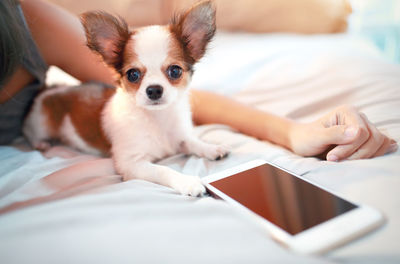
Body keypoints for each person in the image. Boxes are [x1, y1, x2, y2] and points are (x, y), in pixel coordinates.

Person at [0, 0, 397, 162]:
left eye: (174, 70)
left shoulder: (25, 18)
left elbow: (178, 99)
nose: (153, 83)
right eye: (136, 75)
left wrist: (291, 131)